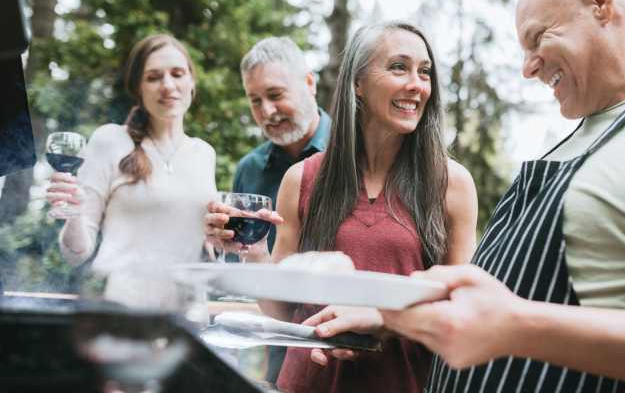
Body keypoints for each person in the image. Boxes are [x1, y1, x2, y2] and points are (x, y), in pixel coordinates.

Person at [311, 0, 625, 392]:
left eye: (538, 38)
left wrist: (516, 325)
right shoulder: (579, 137)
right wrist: (387, 315)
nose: (528, 67)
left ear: (600, 3)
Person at [206, 21, 478, 393]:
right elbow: (281, 311)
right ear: (358, 84)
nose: (417, 84)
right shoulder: (301, 179)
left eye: (425, 72)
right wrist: (250, 247)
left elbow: (462, 311)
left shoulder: (453, 183)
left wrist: (383, 318)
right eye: (399, 67)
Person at [46, 34, 216, 308]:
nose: (168, 85)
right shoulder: (110, 140)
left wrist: (222, 240)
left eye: (177, 73)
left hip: (187, 320)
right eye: (153, 77)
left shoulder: (205, 153)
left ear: (191, 82)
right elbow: (75, 253)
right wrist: (74, 211)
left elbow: (205, 248)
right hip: (120, 315)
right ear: (139, 88)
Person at [227, 36, 331, 384]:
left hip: (347, 354)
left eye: (275, 95)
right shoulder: (249, 170)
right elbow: (244, 274)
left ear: (309, 83)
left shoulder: (356, 154)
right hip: (280, 358)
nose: (267, 112)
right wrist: (228, 243)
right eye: (255, 101)